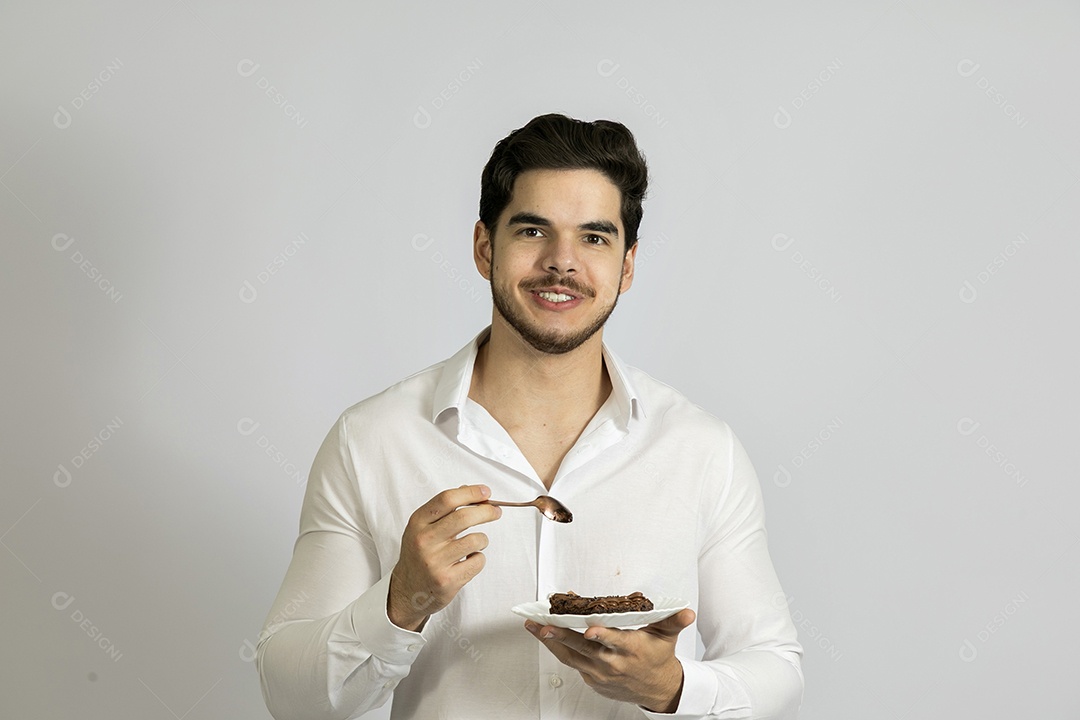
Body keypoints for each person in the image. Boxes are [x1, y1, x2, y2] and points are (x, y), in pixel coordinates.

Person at [256, 113, 804, 719]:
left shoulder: (702, 450)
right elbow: (292, 698)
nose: (561, 263)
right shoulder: (372, 441)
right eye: (532, 231)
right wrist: (400, 602)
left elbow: (776, 674)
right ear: (484, 246)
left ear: (627, 265)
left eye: (594, 238)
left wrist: (673, 689)